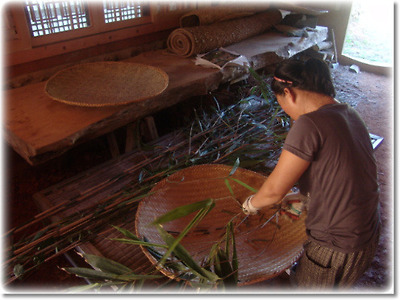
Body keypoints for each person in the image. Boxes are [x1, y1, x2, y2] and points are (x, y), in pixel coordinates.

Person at [242, 58, 380, 290]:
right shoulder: (349, 114)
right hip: (366, 235)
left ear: (289, 93)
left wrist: (249, 205)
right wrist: (296, 202)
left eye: (280, 102)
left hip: (335, 247)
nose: (284, 110)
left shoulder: (308, 124)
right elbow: (337, 179)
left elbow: (273, 192)